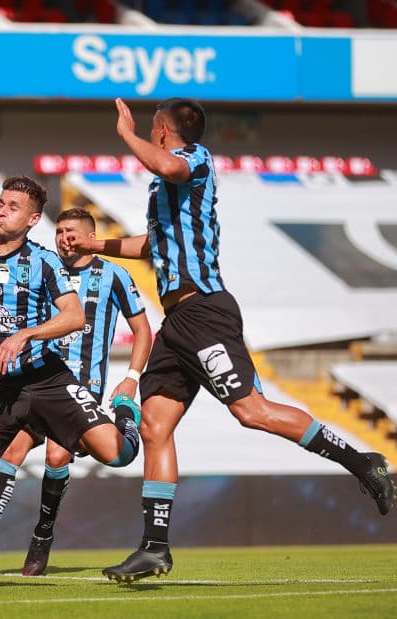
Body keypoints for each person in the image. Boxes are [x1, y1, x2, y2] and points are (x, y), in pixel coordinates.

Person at [67, 98, 396, 584]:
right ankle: (154, 548)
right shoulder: (164, 191)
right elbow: (151, 245)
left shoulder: (195, 161)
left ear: (162, 131)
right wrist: (96, 246)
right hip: (175, 323)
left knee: (251, 412)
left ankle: (362, 461)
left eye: (152, 131)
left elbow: (168, 165)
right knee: (156, 426)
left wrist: (124, 134)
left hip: (205, 311)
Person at [0, 176, 142, 591]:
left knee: (118, 454)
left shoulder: (45, 261)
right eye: (1, 202)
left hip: (47, 377)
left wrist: (26, 335)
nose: (2, 210)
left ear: (33, 219)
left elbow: (74, 317)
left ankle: (126, 412)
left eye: (14, 206)